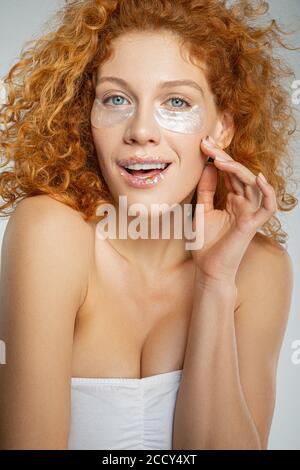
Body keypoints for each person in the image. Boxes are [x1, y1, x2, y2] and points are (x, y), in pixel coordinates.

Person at [0, 0, 298, 450]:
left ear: (222, 128)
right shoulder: (50, 233)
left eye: (175, 101)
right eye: (116, 99)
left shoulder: (260, 268)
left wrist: (215, 283)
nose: (141, 130)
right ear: (88, 118)